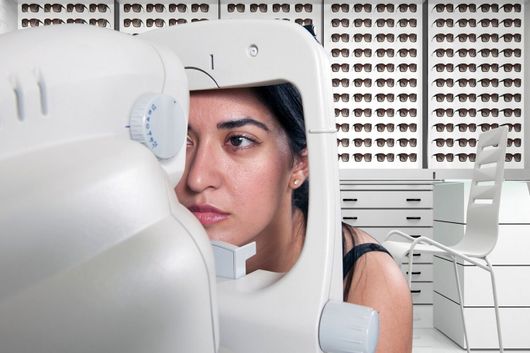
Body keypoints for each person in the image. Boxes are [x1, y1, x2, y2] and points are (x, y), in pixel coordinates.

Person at [175, 84, 413, 353]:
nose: (197, 178)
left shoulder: (365, 281)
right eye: (182, 141)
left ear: (300, 164)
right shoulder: (162, 258)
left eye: (238, 140)